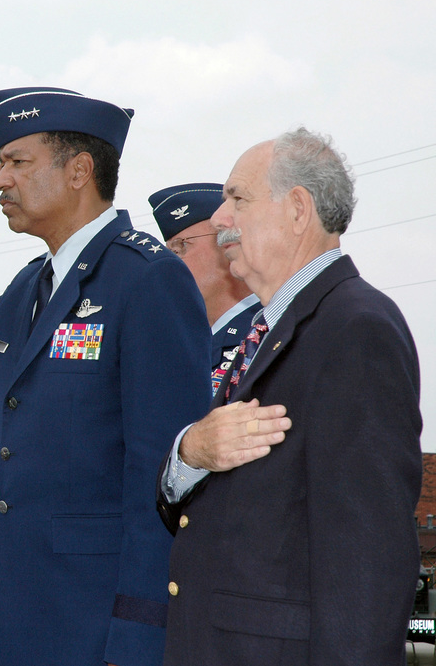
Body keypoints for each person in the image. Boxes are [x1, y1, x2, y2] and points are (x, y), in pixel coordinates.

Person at [0, 87, 211, 666]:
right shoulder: (28, 289)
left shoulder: (147, 280)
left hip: (98, 621)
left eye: (18, 162)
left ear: (79, 171)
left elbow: (165, 477)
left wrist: (141, 634)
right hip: (22, 608)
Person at [156, 128, 422, 666]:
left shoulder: (355, 328)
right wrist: (188, 454)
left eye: (238, 198)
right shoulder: (266, 329)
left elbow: (367, 560)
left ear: (298, 208)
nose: (218, 219)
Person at [150, 183, 260, 393]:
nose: (168, 262)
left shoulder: (267, 330)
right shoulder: (176, 340)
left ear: (229, 244)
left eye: (181, 247)